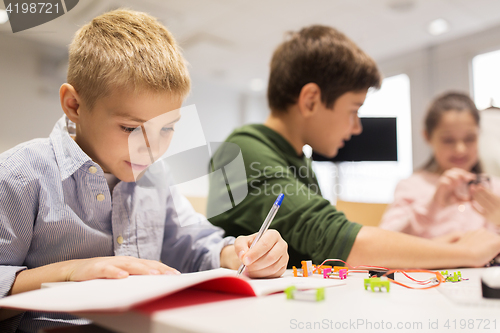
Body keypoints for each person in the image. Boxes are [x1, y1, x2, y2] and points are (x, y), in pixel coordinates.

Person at [0, 10, 288, 332]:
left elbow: (194, 244)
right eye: (129, 128)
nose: (151, 149)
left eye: (167, 130)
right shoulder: (20, 175)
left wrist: (240, 253)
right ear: (74, 106)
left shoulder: (155, 177)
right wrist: (69, 272)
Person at [207, 25, 500, 270]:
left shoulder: (297, 159)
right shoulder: (243, 150)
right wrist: (468, 253)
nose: (357, 127)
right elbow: (337, 241)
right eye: (354, 109)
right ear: (310, 100)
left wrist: (435, 246)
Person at [380, 92, 500, 239]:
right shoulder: (411, 186)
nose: (460, 149)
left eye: (469, 138)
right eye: (448, 140)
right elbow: (385, 240)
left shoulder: (494, 187)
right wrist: (431, 207)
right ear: (427, 137)